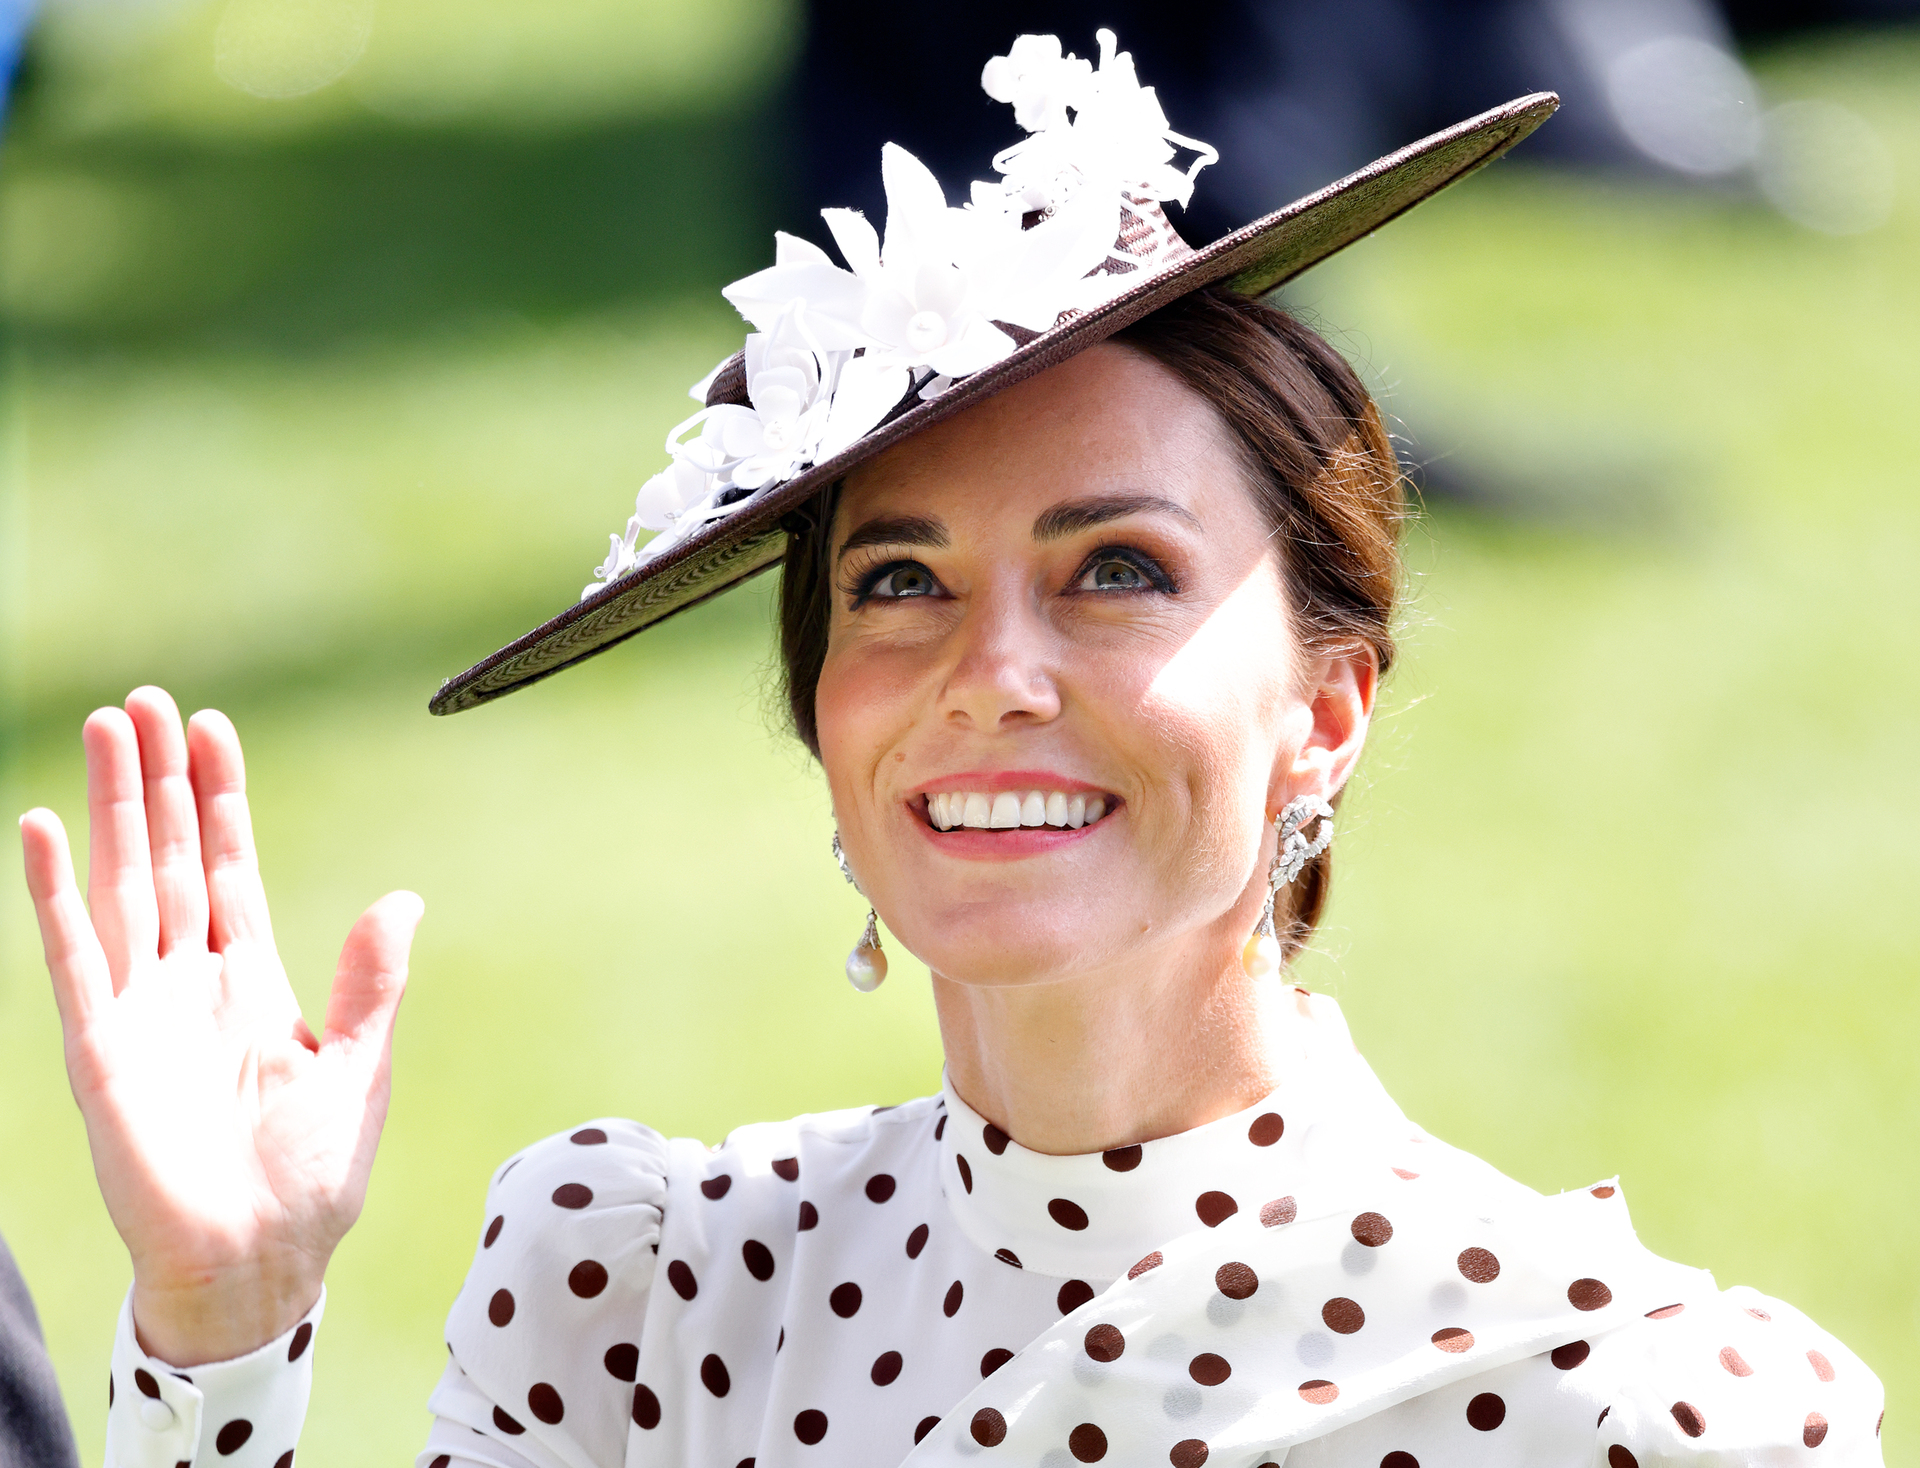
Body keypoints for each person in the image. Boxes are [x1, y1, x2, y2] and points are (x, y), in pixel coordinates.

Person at [17, 30, 1886, 1468]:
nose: (988, 672)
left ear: (1328, 707)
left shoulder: (1624, 1400)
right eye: (898, 583)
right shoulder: (641, 1291)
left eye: (1118, 572)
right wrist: (221, 1325)